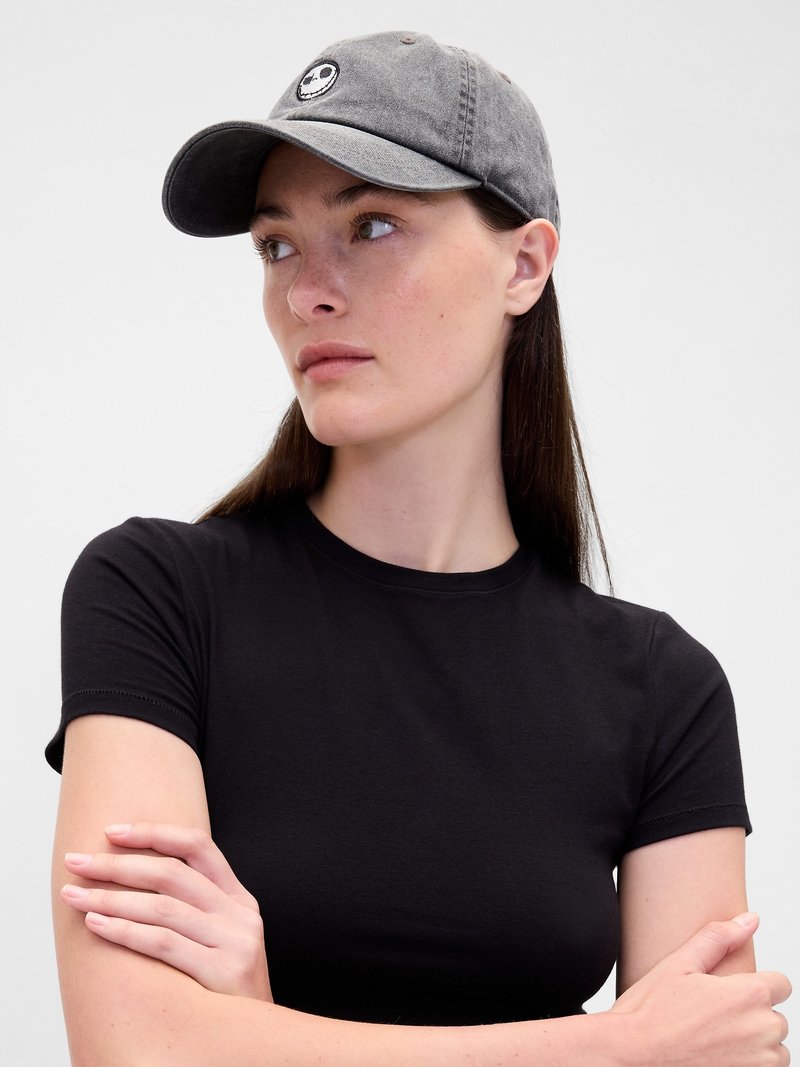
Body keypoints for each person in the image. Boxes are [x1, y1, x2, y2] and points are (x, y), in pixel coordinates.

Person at [46, 29, 790, 1067]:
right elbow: (133, 1047)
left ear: (523, 265)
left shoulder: (662, 689)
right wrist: (611, 1048)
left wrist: (254, 1022)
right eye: (275, 244)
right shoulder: (156, 596)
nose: (306, 290)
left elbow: (710, 1053)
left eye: (373, 224)